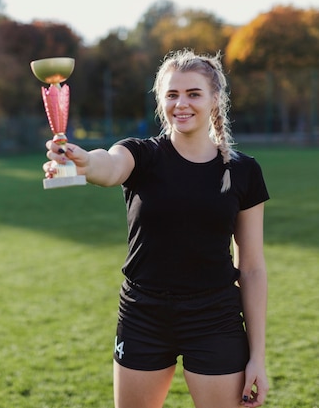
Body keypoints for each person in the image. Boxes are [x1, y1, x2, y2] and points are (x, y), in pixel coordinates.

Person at [43, 49, 270, 408]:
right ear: (161, 101)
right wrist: (84, 161)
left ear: (215, 99)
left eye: (193, 93)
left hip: (215, 317)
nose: (182, 103)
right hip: (143, 313)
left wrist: (257, 356)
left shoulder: (243, 171)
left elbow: (253, 268)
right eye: (172, 94)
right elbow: (110, 167)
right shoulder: (142, 155)